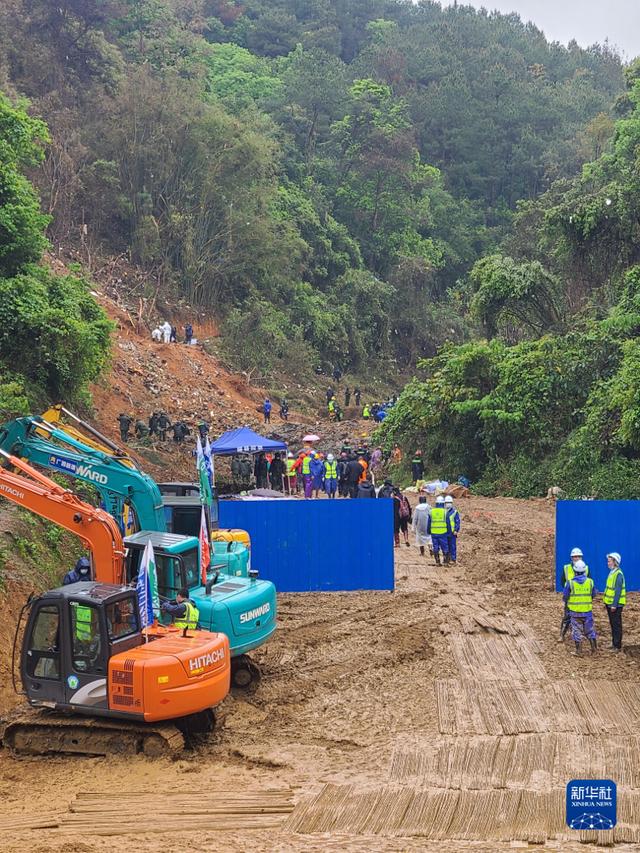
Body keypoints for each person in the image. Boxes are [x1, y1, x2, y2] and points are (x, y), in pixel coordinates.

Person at [562, 560, 597, 656]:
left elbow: (565, 597)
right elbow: (594, 594)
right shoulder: (590, 582)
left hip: (575, 612)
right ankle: (594, 649)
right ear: (584, 570)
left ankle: (579, 651)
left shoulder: (570, 583)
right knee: (589, 630)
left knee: (576, 631)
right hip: (587, 611)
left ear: (575, 571)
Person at [559, 547, 590, 641]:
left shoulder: (586, 568)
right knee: (567, 617)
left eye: (578, 557)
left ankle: (581, 635)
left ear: (581, 557)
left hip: (582, 600)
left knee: (583, 618)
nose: (576, 558)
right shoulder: (566, 568)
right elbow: (562, 582)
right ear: (571, 558)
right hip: (570, 599)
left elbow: (589, 582)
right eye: (574, 557)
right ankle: (562, 635)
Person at [603, 552, 626, 652]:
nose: (607, 563)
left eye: (609, 561)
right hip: (609, 603)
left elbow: (618, 591)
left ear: (614, 562)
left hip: (615, 605)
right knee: (613, 624)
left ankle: (617, 645)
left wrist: (614, 605)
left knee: (616, 625)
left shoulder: (618, 575)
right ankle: (614, 643)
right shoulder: (612, 572)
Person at [427, 496, 452, 565]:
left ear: (436, 503)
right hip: (443, 533)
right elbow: (448, 523)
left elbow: (429, 523)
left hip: (434, 533)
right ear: (443, 504)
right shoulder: (445, 512)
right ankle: (446, 561)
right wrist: (449, 532)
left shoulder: (431, 511)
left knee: (436, 547)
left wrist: (428, 531)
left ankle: (437, 561)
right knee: (445, 547)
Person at [444, 495, 460, 563]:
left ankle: (453, 559)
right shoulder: (443, 511)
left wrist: (456, 530)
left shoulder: (455, 512)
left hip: (452, 532)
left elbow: (457, 522)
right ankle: (446, 559)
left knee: (452, 546)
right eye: (447, 502)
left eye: (449, 502)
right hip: (444, 532)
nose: (448, 504)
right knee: (445, 546)